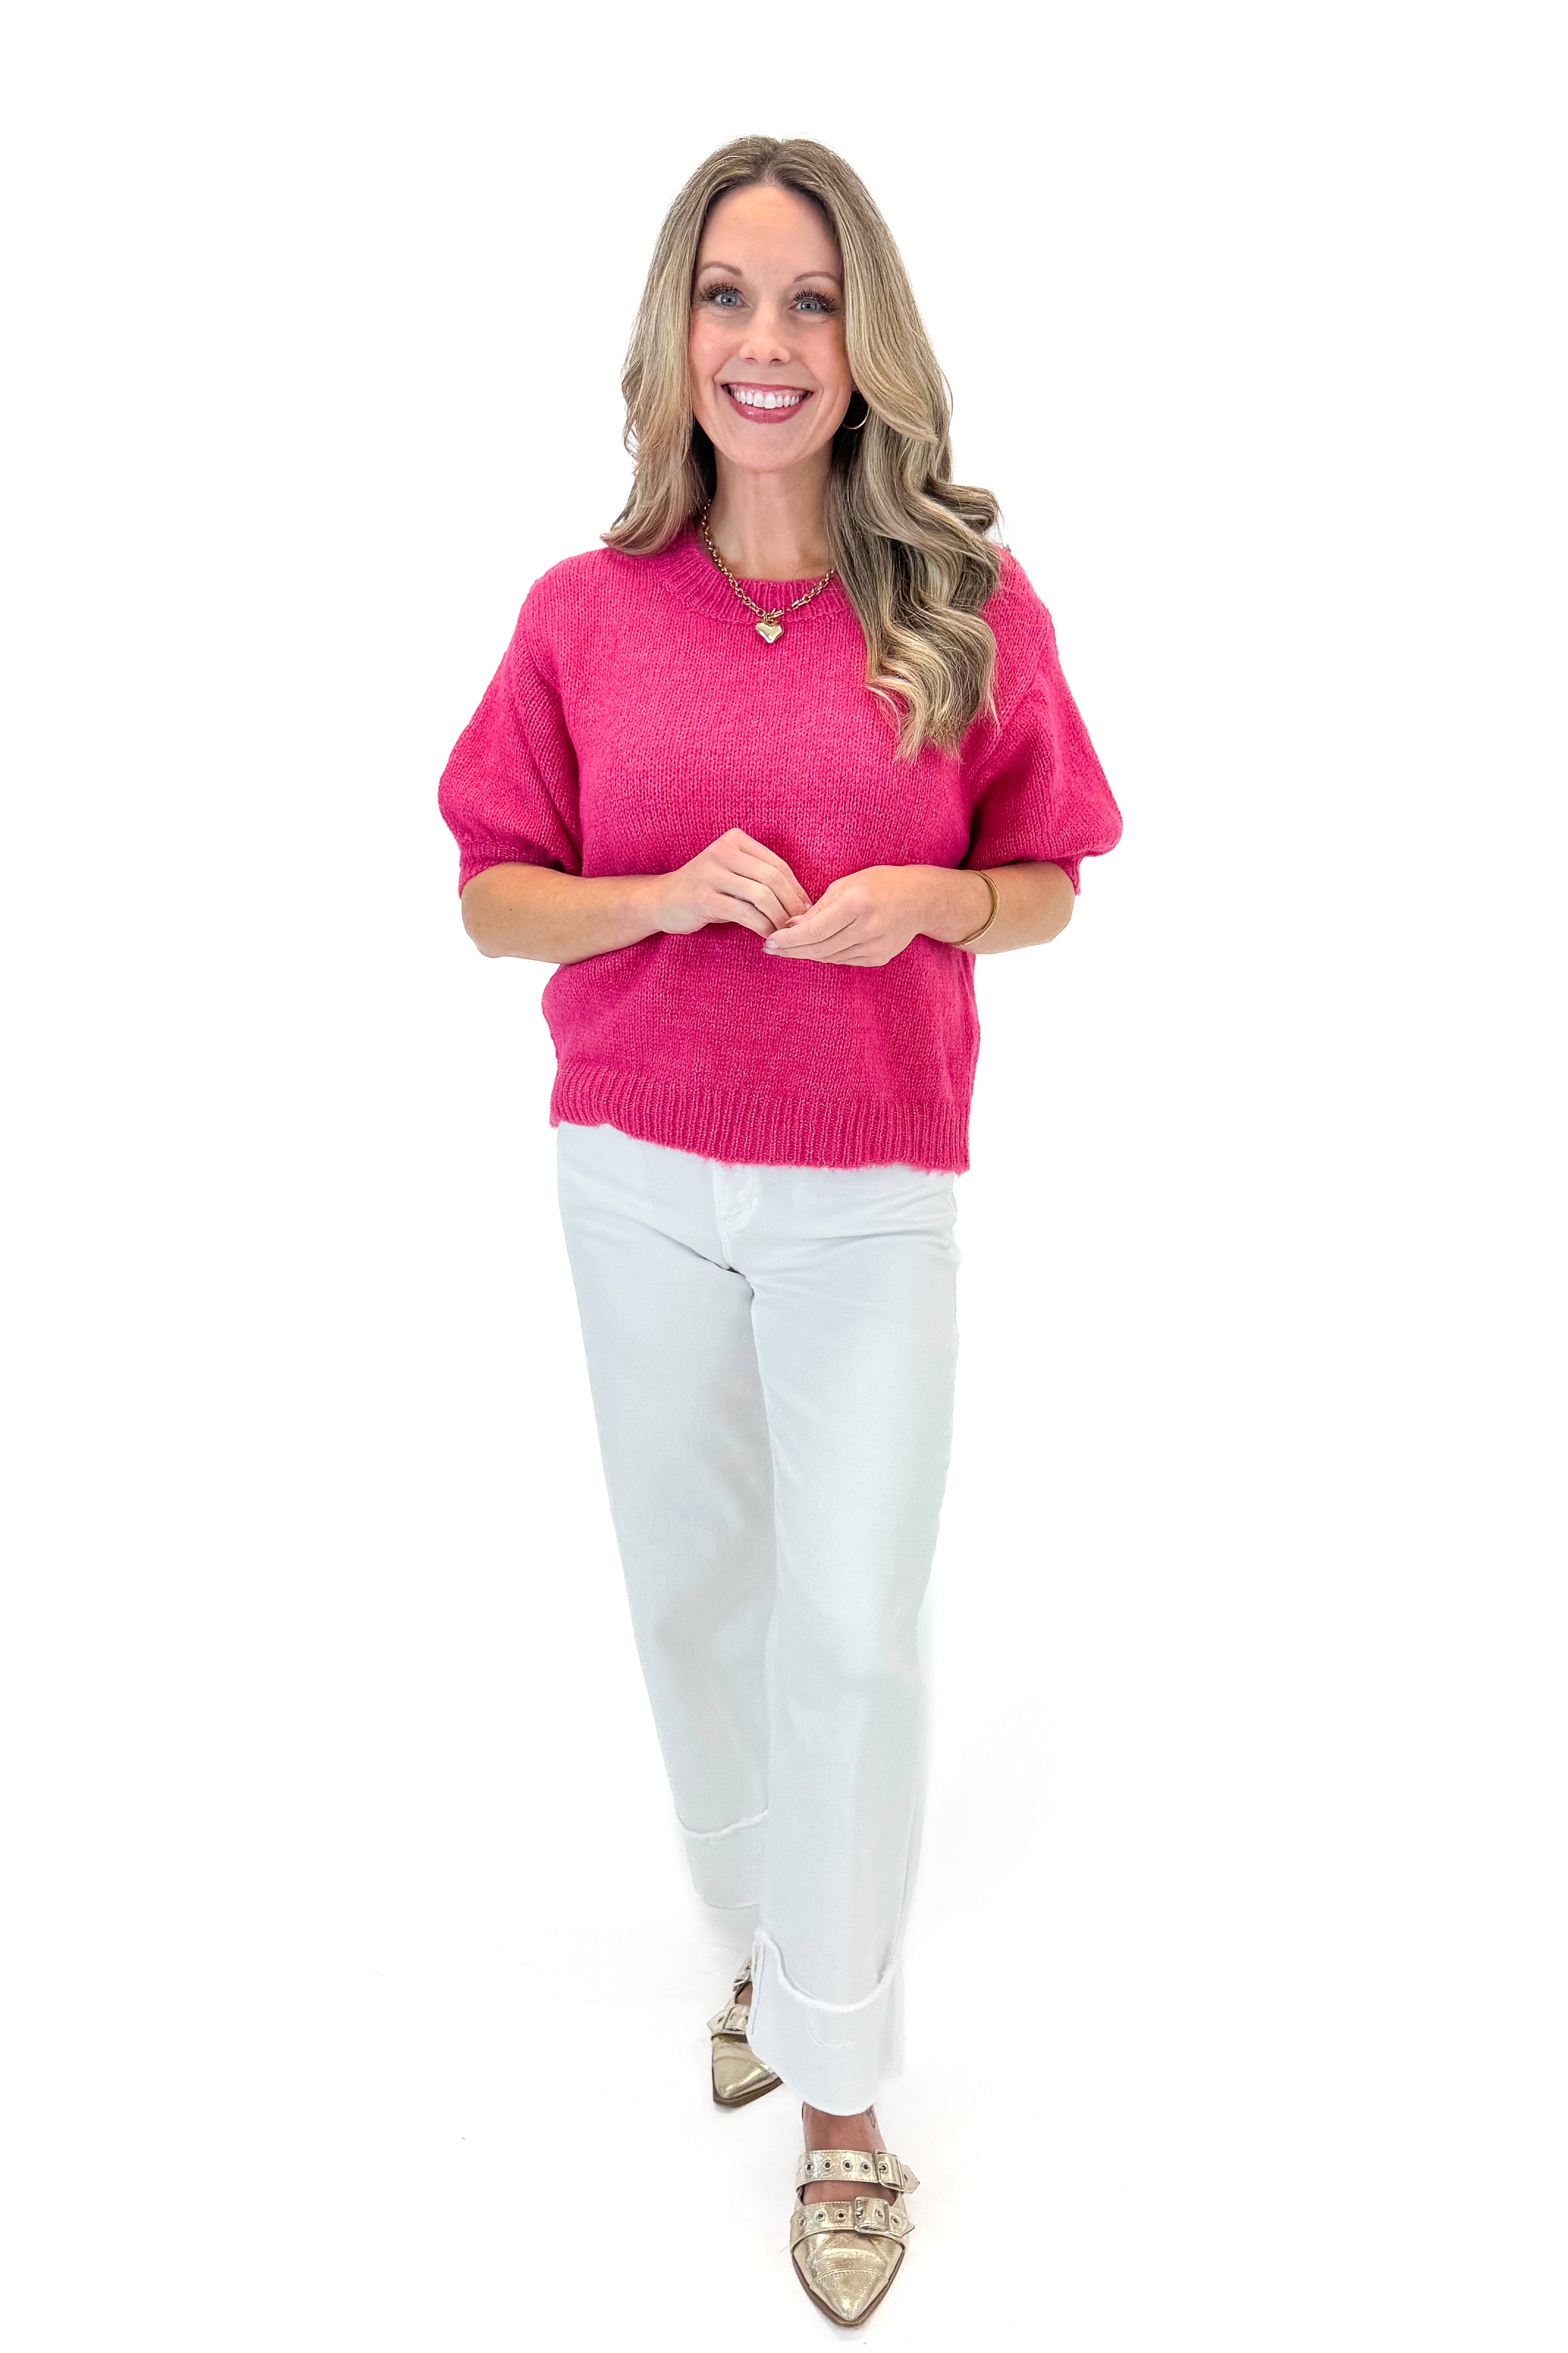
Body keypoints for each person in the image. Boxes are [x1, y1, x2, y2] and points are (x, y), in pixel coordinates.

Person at [438, 133, 1121, 2328]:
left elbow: (1050, 877)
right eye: (726, 298)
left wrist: (935, 894)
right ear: (675, 335)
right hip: (631, 1163)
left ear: (862, 342)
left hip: (869, 1184)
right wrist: (651, 891)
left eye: (806, 302)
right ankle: (761, 1944)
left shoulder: (963, 605)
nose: (763, 342)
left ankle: (840, 2091)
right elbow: (487, 893)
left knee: (850, 1629)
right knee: (693, 1598)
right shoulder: (579, 613)